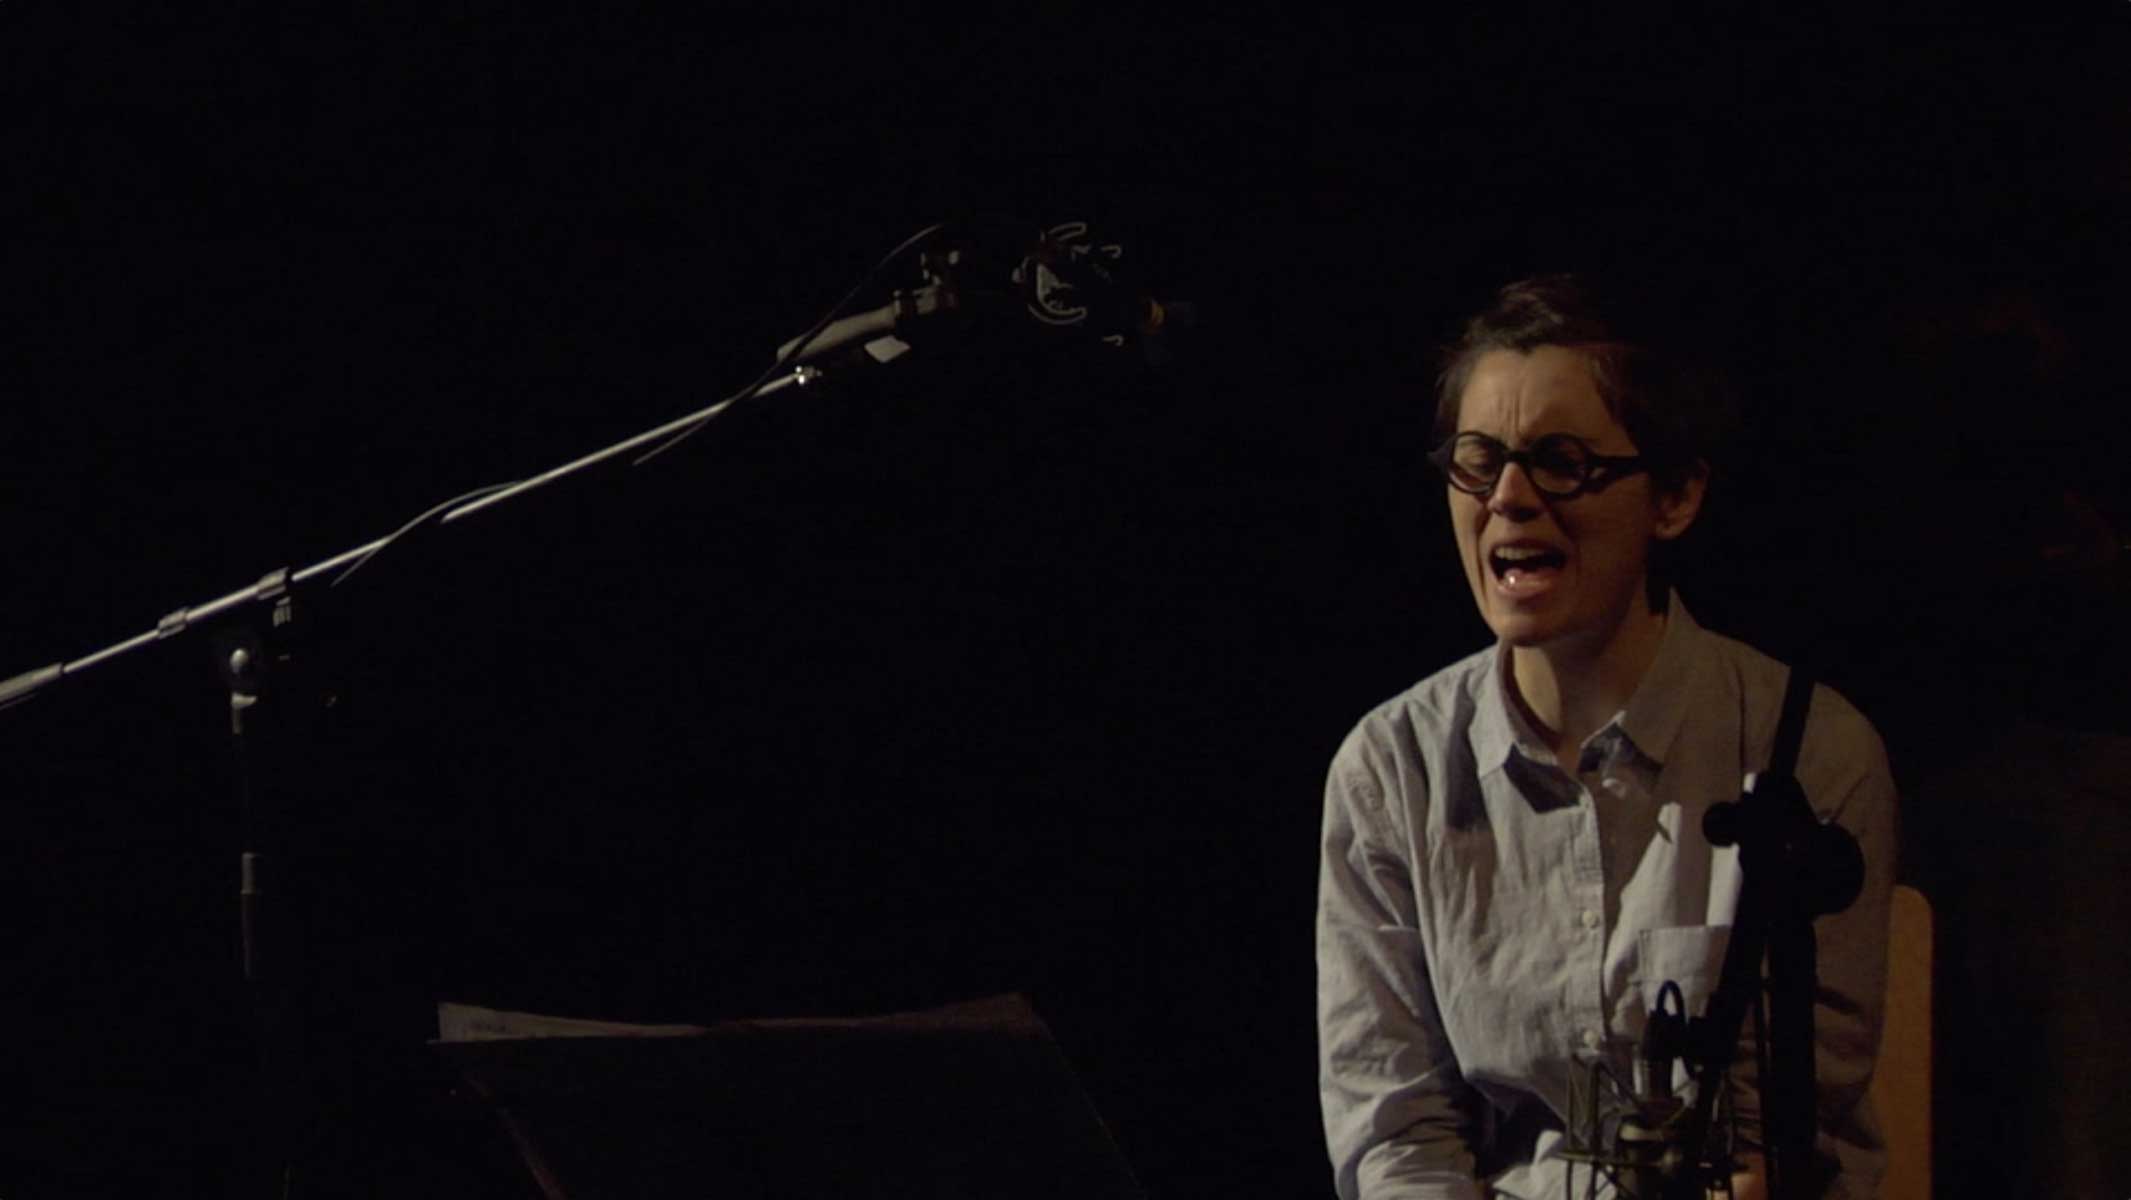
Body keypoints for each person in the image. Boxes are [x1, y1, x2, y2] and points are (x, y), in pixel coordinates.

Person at [1315, 275, 1895, 1199]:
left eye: (1561, 462)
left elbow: (1779, 1134)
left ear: (1674, 497)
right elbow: (1397, 1134)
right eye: (1478, 461)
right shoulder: (1392, 767)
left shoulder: (1806, 750)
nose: (1508, 497)